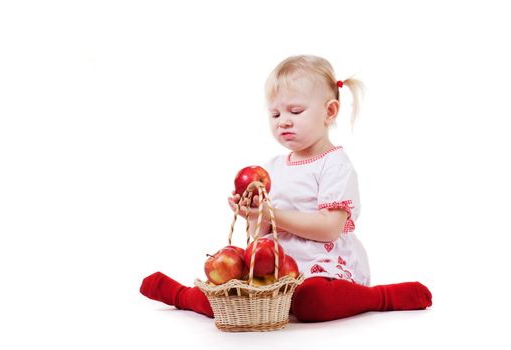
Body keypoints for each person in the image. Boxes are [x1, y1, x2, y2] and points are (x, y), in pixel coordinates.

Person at [140, 55, 432, 322]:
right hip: (277, 269)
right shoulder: (274, 166)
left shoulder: (335, 164)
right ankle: (182, 296)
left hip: (322, 266)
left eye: (295, 111)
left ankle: (380, 297)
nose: (283, 122)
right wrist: (253, 215)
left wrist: (272, 213)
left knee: (312, 301)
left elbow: (330, 228)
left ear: (329, 111)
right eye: (275, 114)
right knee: (232, 295)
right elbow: (262, 236)